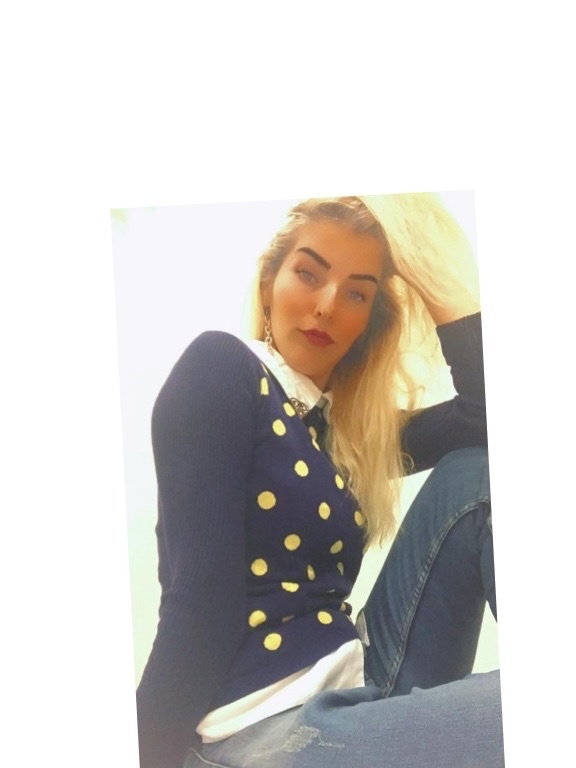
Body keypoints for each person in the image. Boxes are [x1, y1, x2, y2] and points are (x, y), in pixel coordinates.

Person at [135, 194, 504, 768]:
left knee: (474, 476)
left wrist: (440, 287)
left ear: (369, 321)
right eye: (309, 273)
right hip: (262, 727)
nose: (328, 305)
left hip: (362, 680)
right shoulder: (222, 369)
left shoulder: (344, 435)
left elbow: (492, 416)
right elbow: (197, 605)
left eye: (357, 293)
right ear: (269, 284)